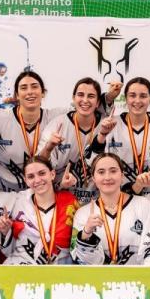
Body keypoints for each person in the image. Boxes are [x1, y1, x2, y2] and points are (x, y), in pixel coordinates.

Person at [0, 71, 68, 192]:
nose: (29, 91)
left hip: (41, 193)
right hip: (5, 194)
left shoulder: (56, 116)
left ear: (43, 93)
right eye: (23, 88)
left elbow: (83, 106)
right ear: (17, 95)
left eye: (34, 86)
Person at [72, 153, 150, 265]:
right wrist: (86, 234)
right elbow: (81, 262)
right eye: (101, 172)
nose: (107, 177)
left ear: (122, 176)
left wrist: (144, 274)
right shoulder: (82, 214)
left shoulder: (143, 205)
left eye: (113, 171)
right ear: (94, 178)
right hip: (101, 276)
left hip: (138, 276)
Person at [89, 77, 150, 194]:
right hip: (122, 195)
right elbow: (93, 162)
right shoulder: (112, 123)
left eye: (143, 96)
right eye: (132, 95)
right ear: (125, 98)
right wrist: (102, 135)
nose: (137, 101)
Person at [38, 77, 102, 205]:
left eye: (91, 96)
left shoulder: (106, 126)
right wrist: (48, 148)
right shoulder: (58, 124)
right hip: (62, 199)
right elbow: (39, 166)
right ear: (73, 98)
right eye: (80, 95)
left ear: (98, 102)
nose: (85, 100)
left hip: (97, 201)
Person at [6, 156, 79, 264]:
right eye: (31, 176)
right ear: (26, 180)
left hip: (60, 269)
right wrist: (5, 231)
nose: (37, 180)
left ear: (52, 174)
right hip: (22, 268)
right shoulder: (16, 201)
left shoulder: (70, 203)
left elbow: (77, 246)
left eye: (42, 173)